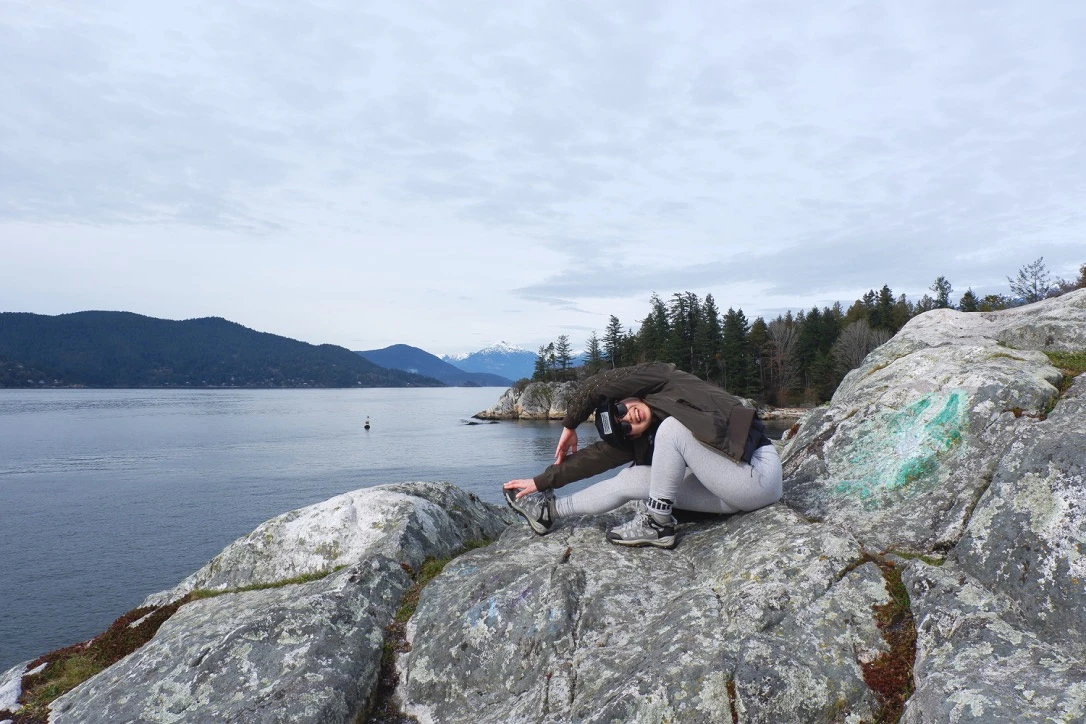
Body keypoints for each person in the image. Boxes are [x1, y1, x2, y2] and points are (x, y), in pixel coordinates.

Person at [503, 362, 782, 548]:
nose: (629, 418)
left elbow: (597, 386)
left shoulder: (667, 381)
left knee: (672, 429)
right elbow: (590, 461)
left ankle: (657, 524)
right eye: (624, 427)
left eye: (621, 410)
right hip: (725, 492)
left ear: (627, 397)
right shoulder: (642, 439)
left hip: (756, 473)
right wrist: (540, 482)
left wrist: (570, 424)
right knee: (630, 479)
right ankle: (550, 512)